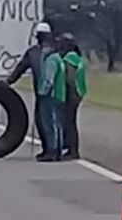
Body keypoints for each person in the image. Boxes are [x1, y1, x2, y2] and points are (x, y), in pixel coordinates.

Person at [7, 22, 52, 157]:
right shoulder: (33, 52)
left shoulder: (52, 51)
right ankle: (48, 149)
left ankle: (52, 149)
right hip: (42, 91)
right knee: (42, 120)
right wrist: (9, 81)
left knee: (49, 121)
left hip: (53, 91)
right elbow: (20, 68)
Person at [36, 35, 66, 162]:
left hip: (50, 95)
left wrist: (41, 92)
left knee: (49, 124)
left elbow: (49, 79)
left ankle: (51, 151)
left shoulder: (51, 60)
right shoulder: (59, 58)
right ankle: (58, 150)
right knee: (57, 124)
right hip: (59, 94)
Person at [60, 33, 86, 160]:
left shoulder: (69, 58)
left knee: (69, 122)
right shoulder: (77, 57)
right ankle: (71, 148)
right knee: (71, 121)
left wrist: (65, 91)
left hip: (72, 93)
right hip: (79, 91)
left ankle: (72, 150)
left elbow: (70, 78)